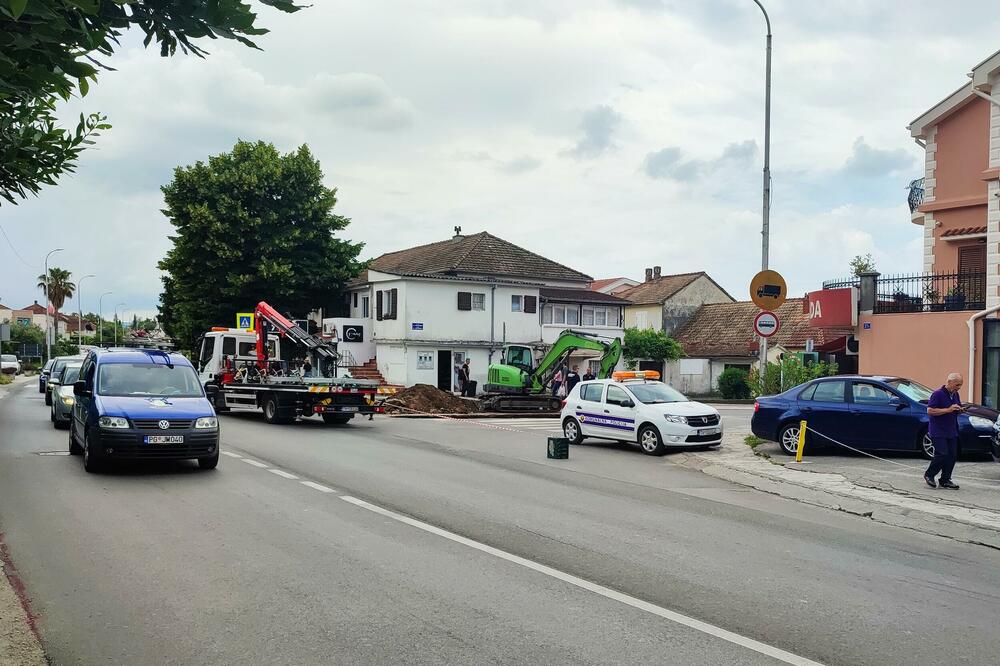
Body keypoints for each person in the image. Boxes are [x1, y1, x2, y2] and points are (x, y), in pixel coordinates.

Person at [924, 372, 963, 490]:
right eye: (957, 385)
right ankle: (929, 475)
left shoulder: (955, 394)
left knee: (952, 455)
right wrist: (948, 410)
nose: (959, 387)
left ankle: (945, 479)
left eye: (960, 385)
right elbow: (930, 411)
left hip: (951, 429)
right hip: (938, 430)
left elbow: (955, 409)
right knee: (942, 453)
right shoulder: (937, 394)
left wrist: (960, 410)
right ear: (949, 382)